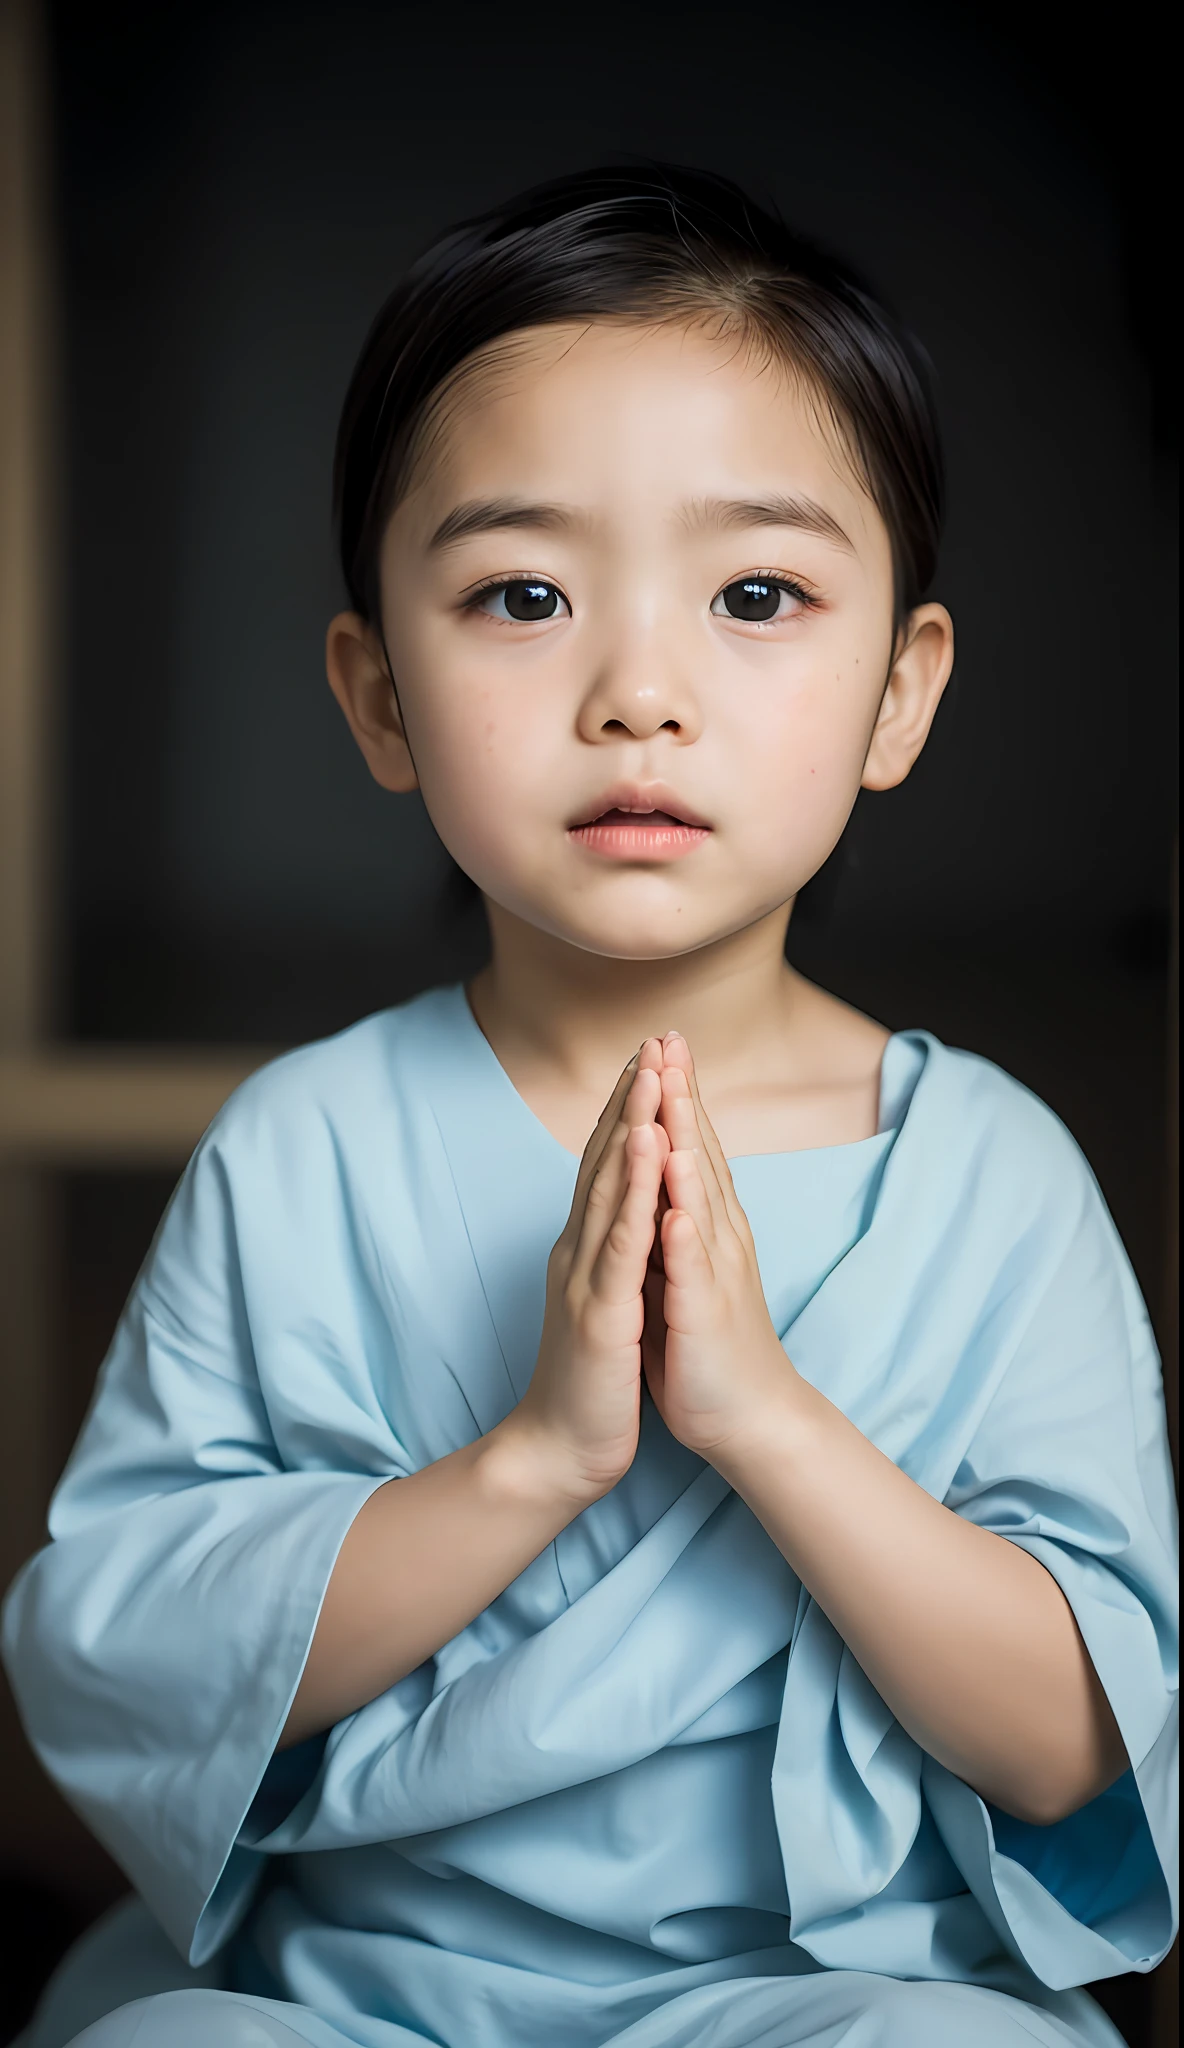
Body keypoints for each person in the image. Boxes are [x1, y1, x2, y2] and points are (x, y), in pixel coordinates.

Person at [3, 165, 1177, 2048]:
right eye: (524, 594)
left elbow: (1071, 1745)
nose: (641, 691)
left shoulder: (990, 1178)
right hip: (363, 1992)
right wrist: (536, 1458)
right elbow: (138, 1650)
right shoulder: (306, 1145)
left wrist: (763, 1421)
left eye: (760, 594)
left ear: (902, 692)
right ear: (380, 697)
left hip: (823, 1997)